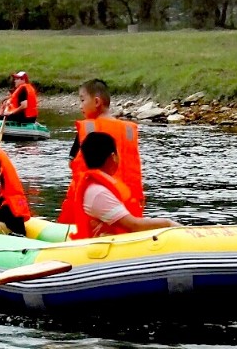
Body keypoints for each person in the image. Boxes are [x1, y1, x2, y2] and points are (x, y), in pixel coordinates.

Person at [58, 79, 146, 230]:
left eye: (82, 100)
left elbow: (72, 164)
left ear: (97, 101)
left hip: (92, 216)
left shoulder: (88, 129)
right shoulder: (128, 130)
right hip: (128, 210)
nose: (80, 106)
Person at [69, 131, 180, 237]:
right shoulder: (99, 192)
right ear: (113, 156)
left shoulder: (96, 187)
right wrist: (167, 223)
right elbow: (133, 225)